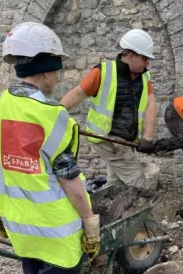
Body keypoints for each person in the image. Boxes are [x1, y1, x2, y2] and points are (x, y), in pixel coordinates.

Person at [0, 22, 100, 274]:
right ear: (45, 70)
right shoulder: (53, 115)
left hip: (19, 226)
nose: (57, 78)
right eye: (57, 70)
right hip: (57, 234)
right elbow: (68, 178)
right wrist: (89, 221)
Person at [61, 28, 157, 191]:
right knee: (140, 186)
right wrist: (52, 115)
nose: (148, 62)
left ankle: (109, 210)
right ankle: (139, 213)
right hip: (108, 140)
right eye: (145, 58)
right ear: (131, 55)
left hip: (125, 140)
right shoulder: (103, 72)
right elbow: (78, 93)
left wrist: (148, 136)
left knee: (116, 185)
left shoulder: (144, 77)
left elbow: (151, 104)